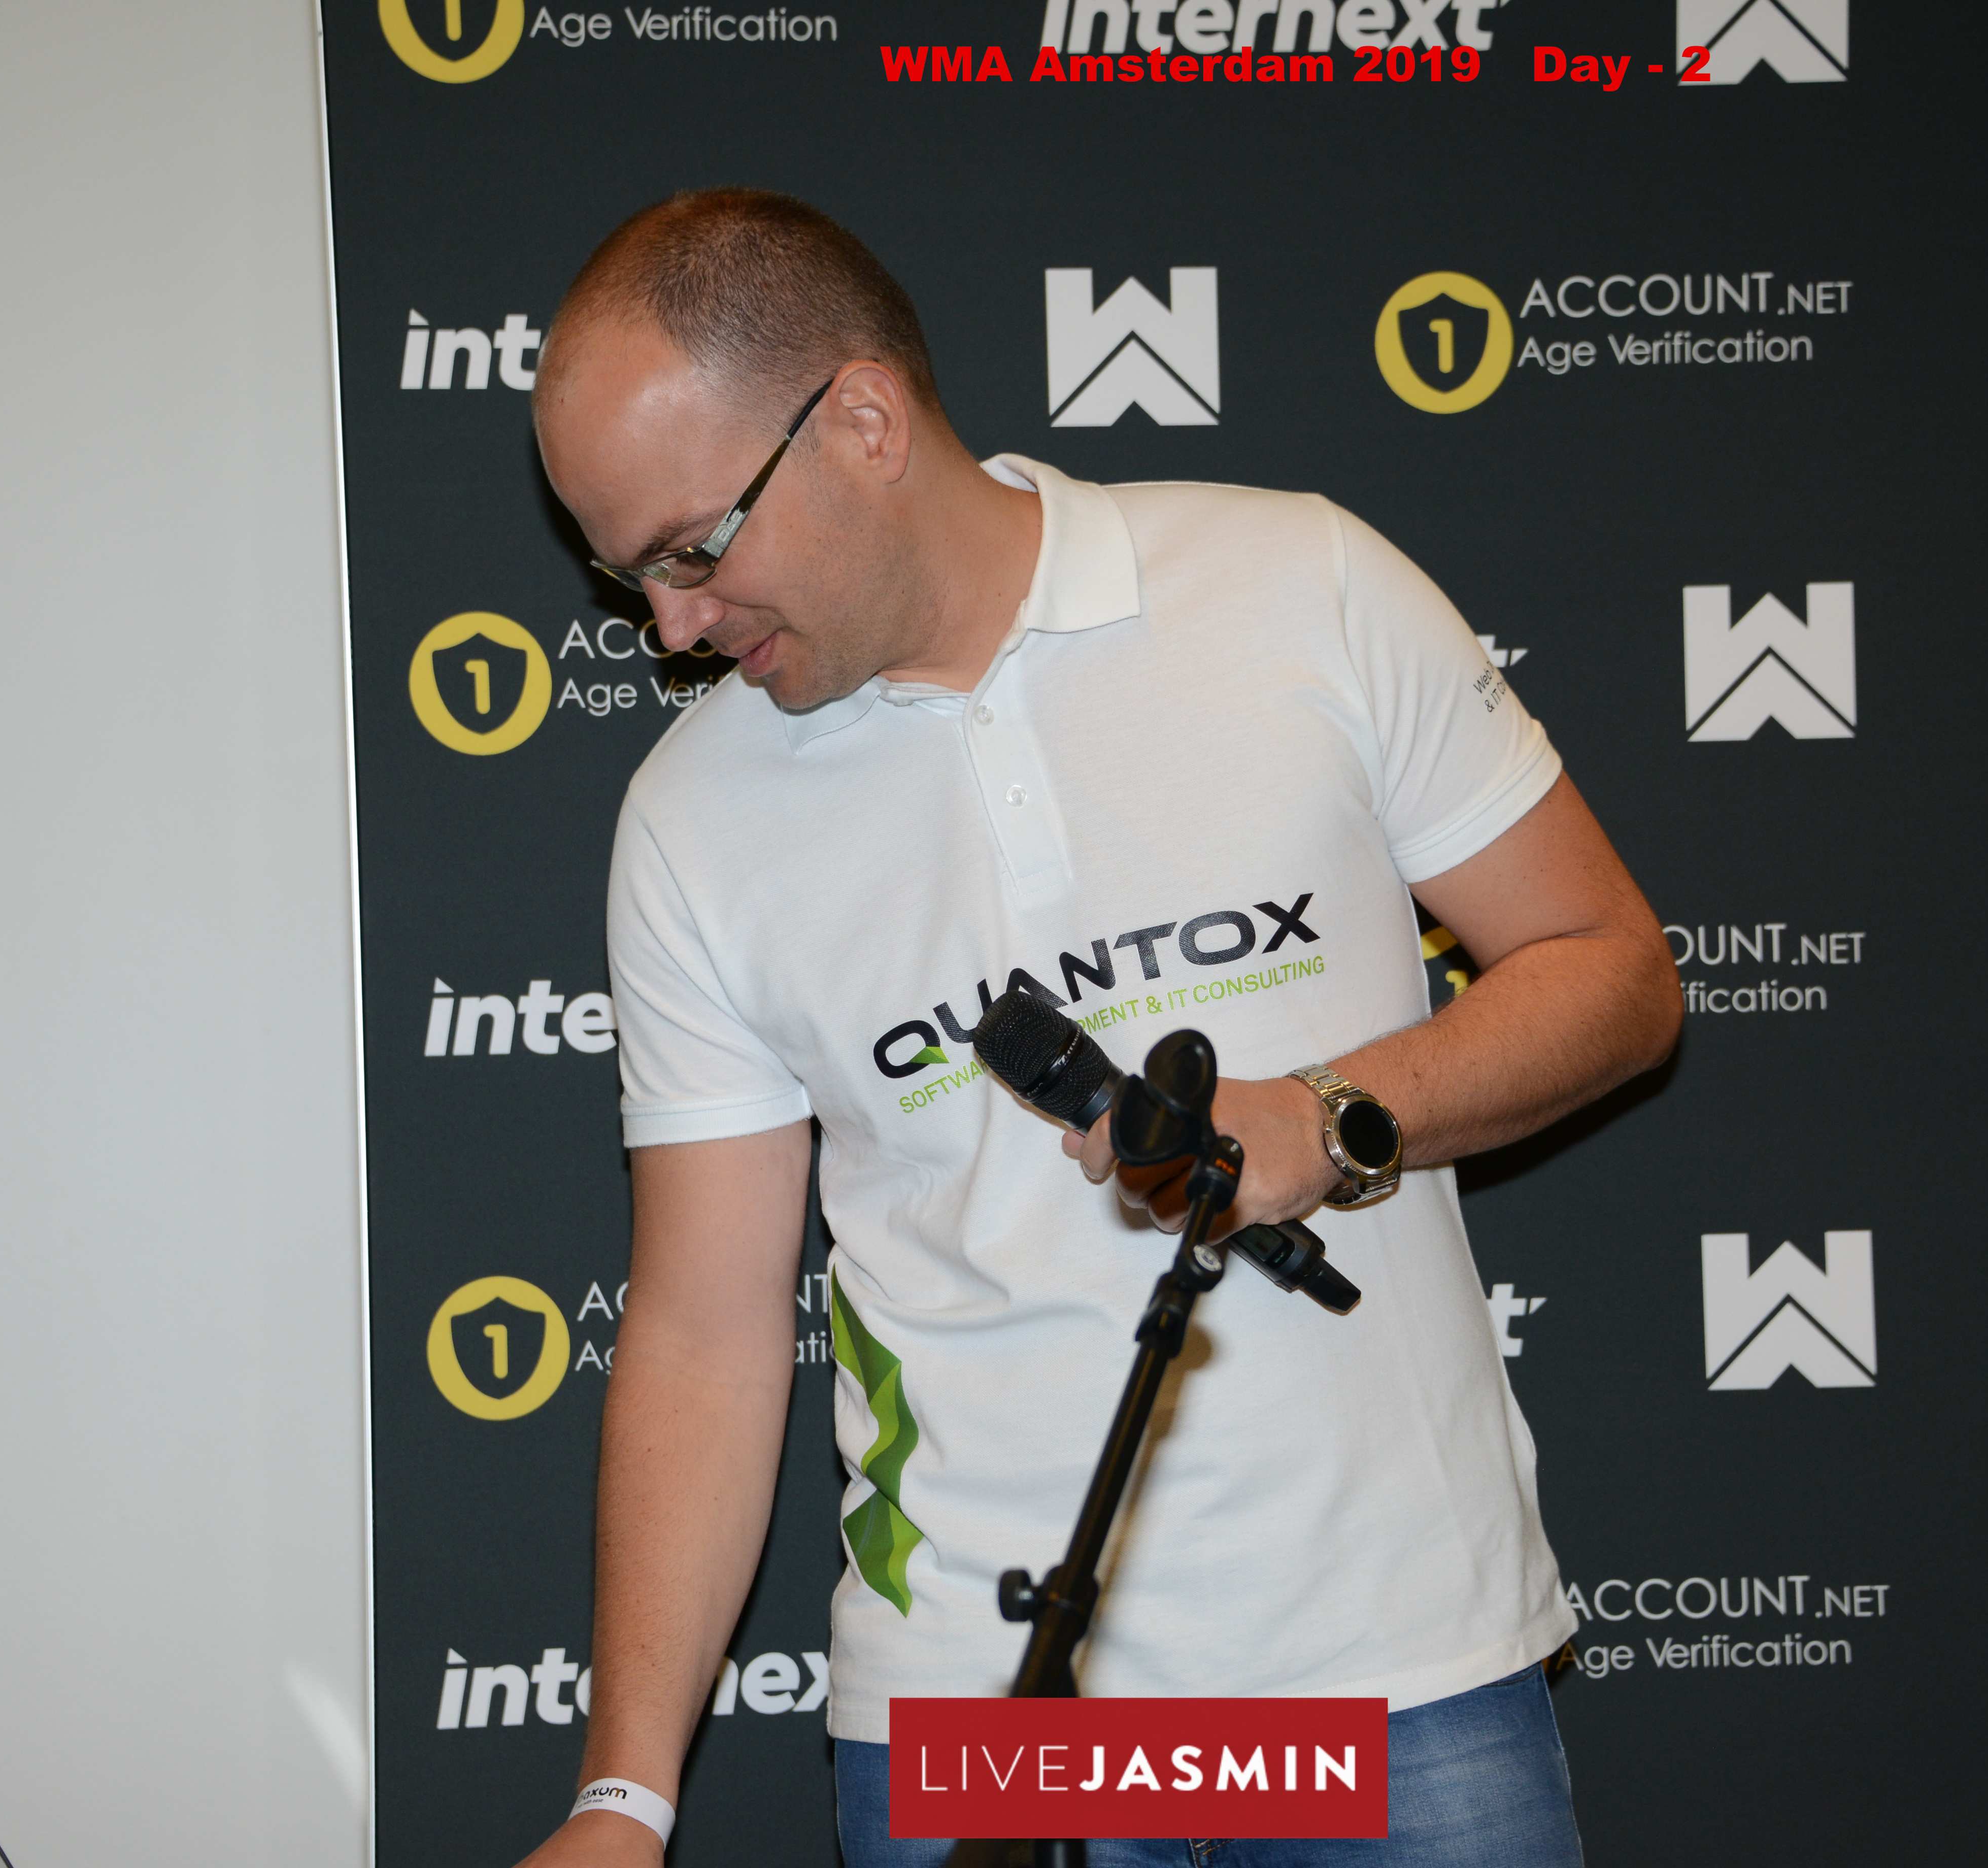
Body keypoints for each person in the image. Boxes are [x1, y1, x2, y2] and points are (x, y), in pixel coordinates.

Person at [514, 189, 1679, 1868]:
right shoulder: (692, 817)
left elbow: (1612, 969)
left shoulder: (1300, 585)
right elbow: (704, 1329)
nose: (672, 627)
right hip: (983, 1712)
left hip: (1394, 1672)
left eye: (694, 550)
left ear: (862, 421)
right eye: (628, 576)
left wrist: (1330, 1113)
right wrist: (623, 1802)